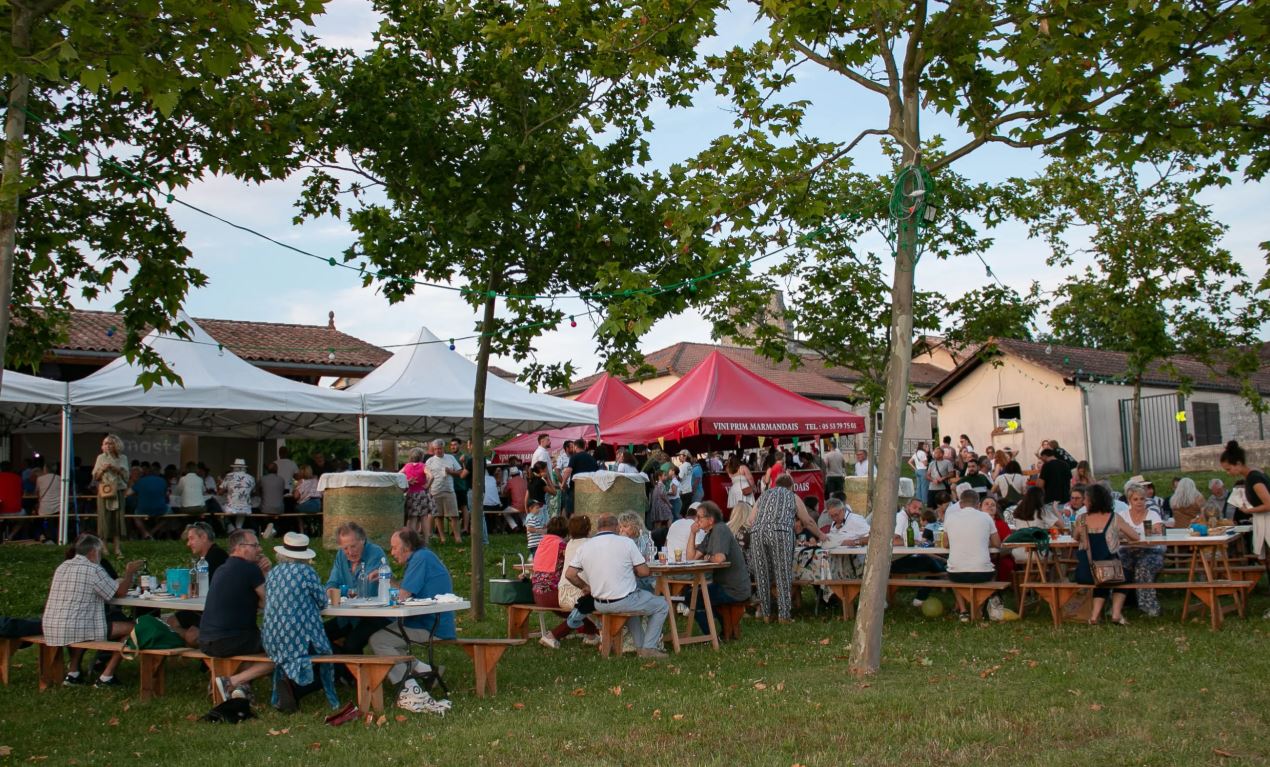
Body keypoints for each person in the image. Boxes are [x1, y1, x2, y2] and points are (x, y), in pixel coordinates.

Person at [369, 529, 456, 706]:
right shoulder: (422, 557)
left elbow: (402, 595)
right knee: (388, 640)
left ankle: (408, 686)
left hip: (431, 626)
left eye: (394, 548)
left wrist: (385, 590)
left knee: (379, 641)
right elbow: (406, 590)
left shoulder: (420, 559)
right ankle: (427, 671)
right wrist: (389, 579)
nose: (392, 553)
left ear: (407, 547)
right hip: (426, 622)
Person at [563, 513, 668, 658]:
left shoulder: (585, 546)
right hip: (623, 600)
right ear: (617, 527)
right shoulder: (626, 543)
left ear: (598, 528)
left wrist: (585, 587)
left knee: (632, 609)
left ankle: (640, 646)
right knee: (661, 604)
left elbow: (569, 574)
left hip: (599, 602)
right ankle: (649, 647)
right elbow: (644, 572)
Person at [43, 534, 142, 687]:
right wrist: (129, 573)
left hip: (52, 626)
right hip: (76, 627)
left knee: (80, 627)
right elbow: (120, 592)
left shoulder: (62, 567)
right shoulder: (93, 569)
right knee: (134, 629)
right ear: (92, 552)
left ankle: (73, 673)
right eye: (100, 552)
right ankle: (106, 676)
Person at [263, 532, 339, 713]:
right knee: (336, 656)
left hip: (271, 639)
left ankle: (289, 686)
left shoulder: (273, 573)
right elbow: (322, 601)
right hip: (298, 640)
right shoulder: (306, 572)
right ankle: (295, 689)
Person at [200, 529, 274, 701]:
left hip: (206, 639)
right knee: (283, 651)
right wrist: (266, 573)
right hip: (230, 639)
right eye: (255, 545)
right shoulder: (249, 569)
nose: (259, 550)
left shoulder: (222, 568)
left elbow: (259, 602)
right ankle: (232, 681)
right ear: (241, 547)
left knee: (257, 648)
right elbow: (270, 601)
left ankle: (242, 688)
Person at [750, 473, 824, 623]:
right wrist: (821, 535)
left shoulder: (763, 496)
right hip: (781, 532)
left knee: (762, 574)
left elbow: (750, 519)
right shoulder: (792, 496)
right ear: (792, 486)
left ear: (775, 484)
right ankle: (784, 615)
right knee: (782, 573)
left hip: (757, 532)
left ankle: (766, 614)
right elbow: (807, 521)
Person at [1074, 483, 1138, 625]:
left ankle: (1095, 616)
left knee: (1102, 579)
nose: (1084, 502)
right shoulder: (1114, 518)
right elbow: (1135, 537)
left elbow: (1075, 537)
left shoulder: (1081, 519)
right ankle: (1115, 613)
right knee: (1124, 576)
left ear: (1092, 501)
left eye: (1085, 499)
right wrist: (1118, 534)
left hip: (1084, 572)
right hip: (1107, 572)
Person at [684, 501, 750, 635]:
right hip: (724, 585)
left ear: (710, 519)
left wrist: (708, 557)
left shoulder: (720, 530)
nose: (696, 520)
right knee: (692, 596)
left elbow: (719, 559)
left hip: (733, 588)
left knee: (693, 597)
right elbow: (691, 557)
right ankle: (723, 631)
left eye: (699, 517)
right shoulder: (710, 534)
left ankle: (712, 635)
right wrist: (693, 533)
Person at [324, 522, 389, 656]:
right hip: (348, 616)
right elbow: (332, 583)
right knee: (318, 635)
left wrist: (340, 592)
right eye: (345, 548)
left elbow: (367, 590)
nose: (350, 552)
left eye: (353, 546)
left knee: (351, 644)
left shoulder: (375, 553)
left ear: (363, 540)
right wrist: (330, 590)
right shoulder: (340, 556)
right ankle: (340, 673)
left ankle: (354, 675)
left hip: (374, 616)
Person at [534, 516, 600, 648]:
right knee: (586, 604)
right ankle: (554, 635)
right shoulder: (563, 545)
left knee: (581, 605)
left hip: (537, 592)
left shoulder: (544, 542)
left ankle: (591, 634)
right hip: (553, 592)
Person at [944, 489, 1000, 622]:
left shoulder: (951, 518)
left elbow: (945, 544)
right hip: (982, 572)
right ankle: (979, 608)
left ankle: (963, 611)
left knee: (952, 571)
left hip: (957, 573)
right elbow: (997, 543)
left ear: (961, 504)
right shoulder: (986, 517)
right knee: (991, 573)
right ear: (978, 504)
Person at [172, 521, 230, 644]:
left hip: (214, 612)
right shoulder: (206, 557)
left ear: (203, 537)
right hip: (203, 607)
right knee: (171, 621)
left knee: (170, 624)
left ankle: (200, 644)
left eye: (191, 539)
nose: (188, 544)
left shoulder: (216, 556)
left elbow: (203, 589)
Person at [1116, 481, 1165, 618]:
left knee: (1143, 568)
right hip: (1127, 551)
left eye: (1142, 499)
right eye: (1135, 499)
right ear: (1129, 500)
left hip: (1150, 550)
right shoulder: (1122, 515)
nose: (1139, 502)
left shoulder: (1152, 514)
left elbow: (1158, 529)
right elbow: (1116, 533)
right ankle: (1115, 607)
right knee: (1116, 567)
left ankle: (1150, 608)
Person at [92, 435, 129, 558]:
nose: (107, 446)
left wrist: (114, 468)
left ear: (116, 445)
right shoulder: (100, 458)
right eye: (105, 443)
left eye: (110, 443)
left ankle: (118, 548)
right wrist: (102, 470)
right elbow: (95, 477)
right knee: (104, 518)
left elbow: (126, 476)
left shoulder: (122, 458)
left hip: (118, 491)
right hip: (104, 492)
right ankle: (104, 547)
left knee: (117, 519)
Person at [425, 439, 463, 543]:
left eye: (440, 448)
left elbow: (460, 472)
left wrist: (450, 471)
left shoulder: (450, 458)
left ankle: (457, 537)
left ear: (443, 448)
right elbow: (426, 476)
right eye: (436, 449)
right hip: (435, 491)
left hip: (449, 490)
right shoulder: (429, 461)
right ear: (433, 449)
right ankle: (442, 538)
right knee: (438, 516)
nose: (438, 451)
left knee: (454, 515)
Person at [401, 446, 437, 544]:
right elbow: (432, 476)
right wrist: (427, 485)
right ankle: (426, 540)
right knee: (424, 517)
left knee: (412, 518)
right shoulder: (423, 466)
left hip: (411, 494)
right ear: (421, 456)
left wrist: (407, 481)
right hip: (422, 495)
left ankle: (412, 541)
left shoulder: (407, 466)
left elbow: (398, 477)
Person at [560, 439, 599, 517]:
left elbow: (568, 471)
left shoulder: (574, 457)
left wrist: (563, 483)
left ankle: (573, 528)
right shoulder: (592, 458)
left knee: (573, 511)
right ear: (584, 446)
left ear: (575, 446)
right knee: (586, 511)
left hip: (576, 488)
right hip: (589, 488)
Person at [220, 459, 256, 532]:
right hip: (246, 509)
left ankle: (229, 527)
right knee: (241, 508)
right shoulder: (251, 478)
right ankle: (238, 528)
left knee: (218, 506)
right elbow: (253, 492)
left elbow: (220, 492)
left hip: (231, 509)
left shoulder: (229, 476)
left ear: (234, 467)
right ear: (244, 468)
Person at [724, 456, 756, 538]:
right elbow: (750, 479)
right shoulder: (743, 467)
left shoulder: (728, 469)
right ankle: (748, 524)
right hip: (743, 489)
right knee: (748, 507)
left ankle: (735, 525)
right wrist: (752, 487)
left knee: (736, 509)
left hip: (734, 490)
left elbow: (731, 478)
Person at [649, 464, 674, 528]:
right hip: (661, 505)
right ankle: (669, 531)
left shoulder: (657, 485)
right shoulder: (661, 485)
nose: (666, 477)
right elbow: (662, 495)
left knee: (658, 521)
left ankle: (656, 534)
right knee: (670, 516)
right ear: (660, 477)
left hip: (656, 505)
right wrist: (668, 504)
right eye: (664, 475)